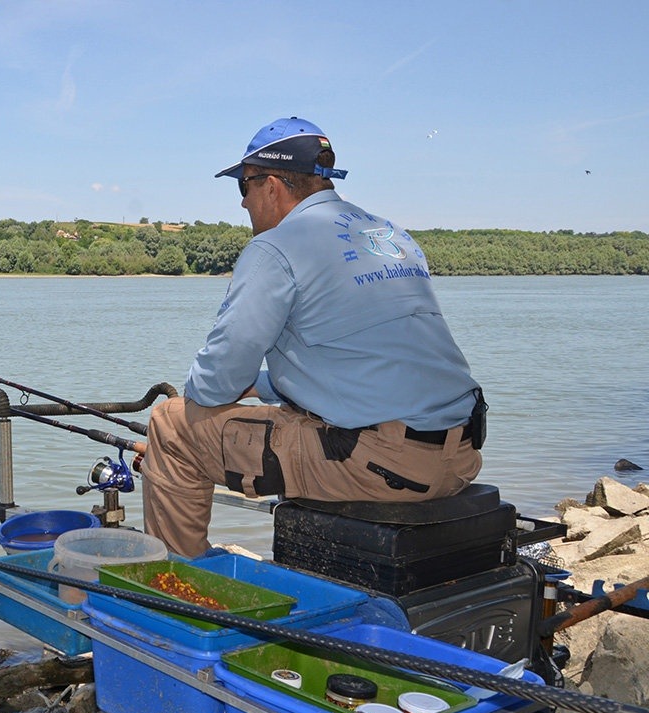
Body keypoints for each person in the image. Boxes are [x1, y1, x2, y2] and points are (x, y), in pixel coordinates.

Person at [138, 116, 485, 557]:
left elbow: (212, 385)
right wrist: (262, 385)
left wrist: (219, 394)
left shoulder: (276, 248)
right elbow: (363, 357)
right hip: (460, 457)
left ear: (271, 186)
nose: (243, 204)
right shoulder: (390, 235)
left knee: (171, 425)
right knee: (290, 421)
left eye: (243, 187)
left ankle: (175, 591)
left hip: (382, 465)